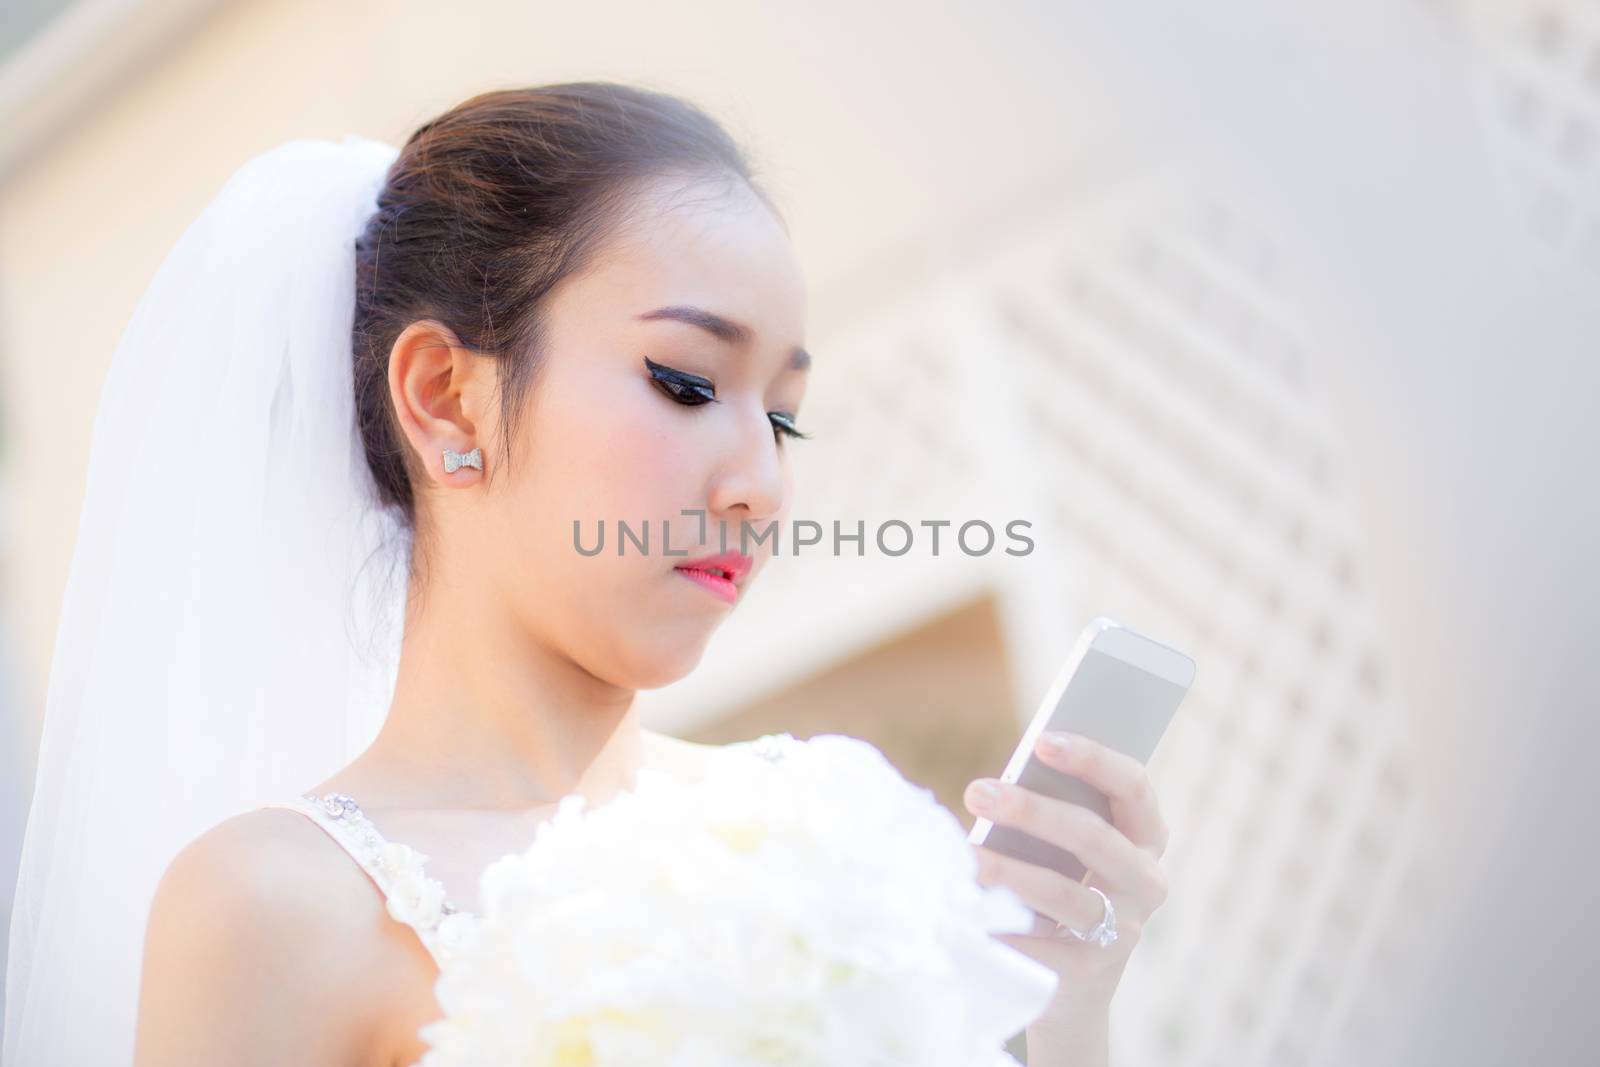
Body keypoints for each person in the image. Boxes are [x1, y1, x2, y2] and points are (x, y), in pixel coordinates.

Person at [3, 81, 1168, 1067]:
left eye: (785, 420)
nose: (759, 482)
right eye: (685, 381)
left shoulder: (832, 829)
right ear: (445, 397)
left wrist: (1058, 1012)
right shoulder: (273, 908)